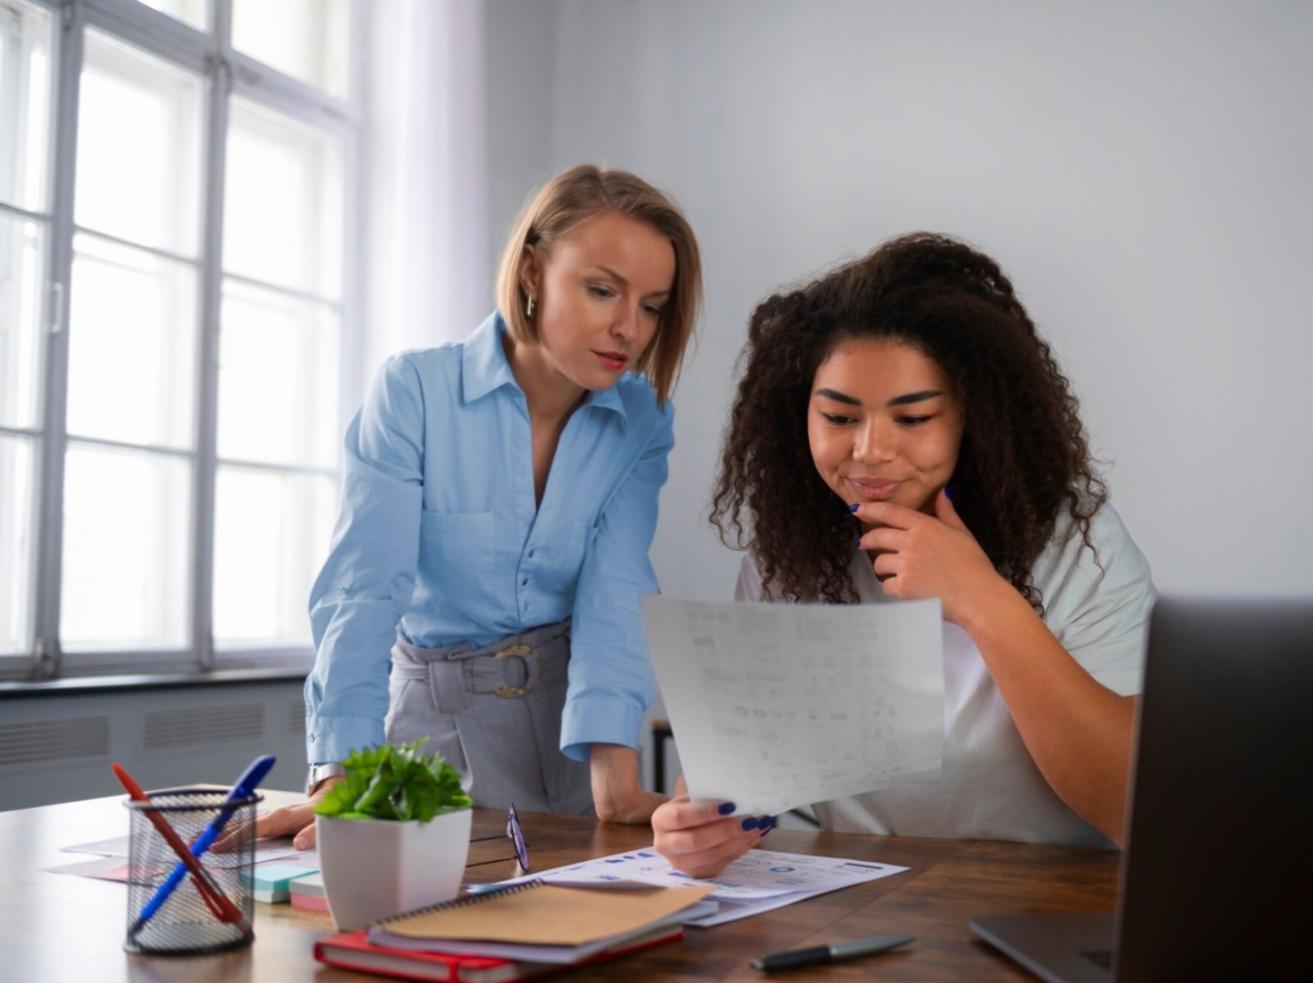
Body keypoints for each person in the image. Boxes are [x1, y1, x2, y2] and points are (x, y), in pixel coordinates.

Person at [652, 233, 1154, 877]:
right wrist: (699, 826)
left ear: (976, 418)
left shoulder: (1079, 546)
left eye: (912, 419)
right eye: (838, 418)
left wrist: (982, 601)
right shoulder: (790, 556)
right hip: (850, 909)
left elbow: (1133, 805)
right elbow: (737, 788)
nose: (868, 451)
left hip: (1051, 909)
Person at [258, 165, 702, 850]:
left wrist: (615, 772)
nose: (628, 328)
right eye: (601, 290)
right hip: (428, 732)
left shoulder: (642, 418)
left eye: (651, 305)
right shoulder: (415, 390)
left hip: (570, 741)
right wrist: (337, 770)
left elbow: (616, 588)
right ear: (531, 271)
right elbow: (364, 585)